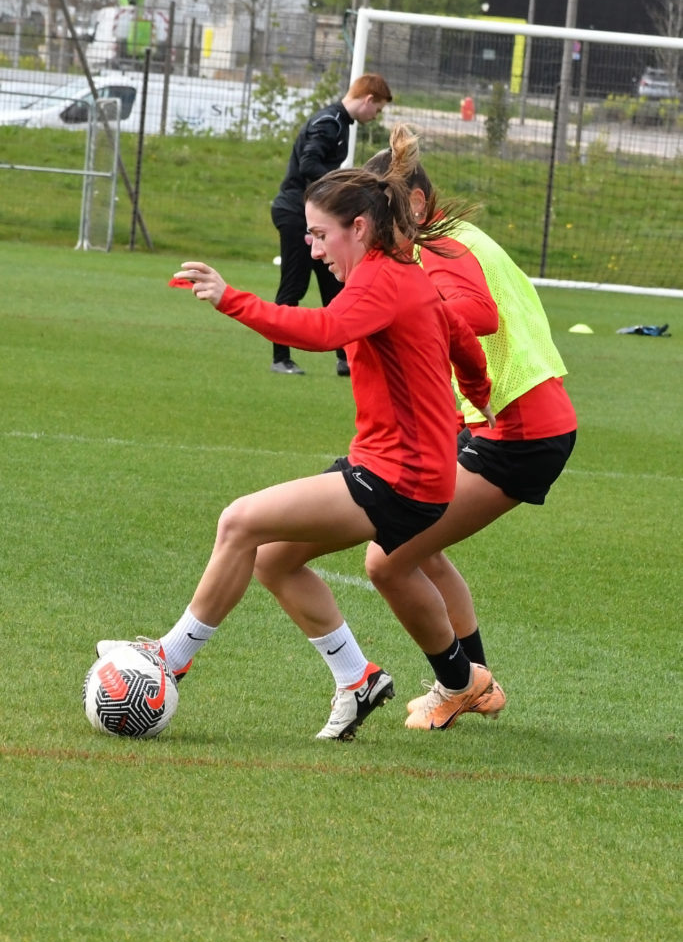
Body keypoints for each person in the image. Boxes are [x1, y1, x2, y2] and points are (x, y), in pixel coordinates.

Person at [97, 165, 495, 740]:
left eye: (318, 235)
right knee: (272, 557)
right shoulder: (405, 275)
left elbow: (321, 331)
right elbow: (467, 348)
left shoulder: (382, 280)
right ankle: (356, 679)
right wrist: (477, 406)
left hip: (399, 476)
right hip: (404, 470)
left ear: (358, 228)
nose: (311, 249)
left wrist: (229, 299)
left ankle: (170, 659)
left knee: (239, 520)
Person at [273, 123, 576, 730]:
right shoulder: (441, 240)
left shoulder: (437, 244)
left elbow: (481, 314)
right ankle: (468, 685)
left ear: (410, 204)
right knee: (420, 546)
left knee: (388, 559)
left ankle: (461, 684)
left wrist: (415, 313)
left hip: (515, 430)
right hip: (503, 420)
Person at [269, 72, 392, 377]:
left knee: (333, 283)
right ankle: (280, 358)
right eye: (376, 110)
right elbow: (308, 164)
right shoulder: (329, 122)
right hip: (297, 214)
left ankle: (344, 356)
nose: (375, 116)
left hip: (314, 215)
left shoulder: (339, 122)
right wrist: (345, 184)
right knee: (294, 284)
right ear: (367, 100)